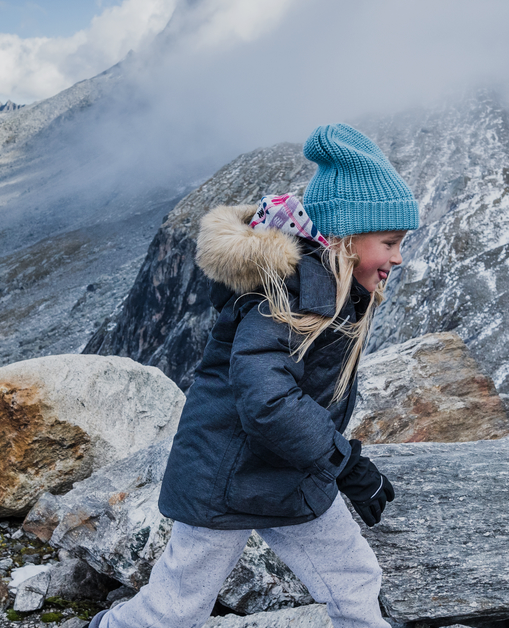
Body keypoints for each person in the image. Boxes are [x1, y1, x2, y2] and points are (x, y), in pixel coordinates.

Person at [90, 123, 418, 628]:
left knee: (354, 577)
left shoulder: (333, 291)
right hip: (228, 476)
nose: (398, 257)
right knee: (177, 608)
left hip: (289, 472)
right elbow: (268, 401)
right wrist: (345, 462)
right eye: (389, 242)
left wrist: (331, 461)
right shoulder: (285, 296)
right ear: (348, 238)